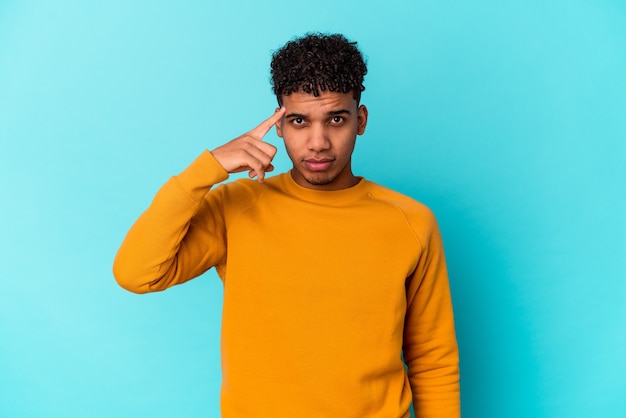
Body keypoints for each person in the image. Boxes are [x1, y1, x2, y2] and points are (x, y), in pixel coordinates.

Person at [113, 33, 460, 418]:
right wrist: (206, 169)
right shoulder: (237, 207)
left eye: (336, 119)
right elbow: (137, 273)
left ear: (360, 120)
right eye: (299, 121)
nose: (318, 142)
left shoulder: (411, 221)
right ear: (278, 124)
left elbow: (432, 359)